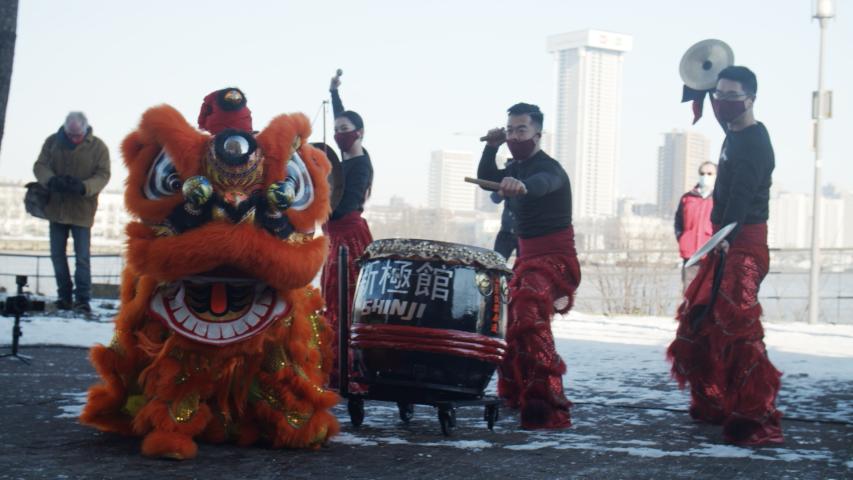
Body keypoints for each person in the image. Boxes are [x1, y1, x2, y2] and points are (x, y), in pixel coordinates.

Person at [667, 66, 783, 445]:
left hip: (743, 241)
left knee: (739, 328)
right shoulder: (732, 133)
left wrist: (724, 237)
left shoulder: (753, 141)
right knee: (701, 320)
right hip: (724, 240)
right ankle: (713, 402)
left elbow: (741, 197)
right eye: (718, 96)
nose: (722, 103)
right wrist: (701, 84)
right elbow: (710, 97)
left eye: (732, 97)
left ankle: (755, 414)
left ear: (750, 99)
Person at [477, 102, 578, 429]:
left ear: (537, 133)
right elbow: (485, 180)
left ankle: (547, 401)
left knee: (529, 312)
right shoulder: (513, 166)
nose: (514, 136)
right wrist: (491, 148)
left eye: (521, 130)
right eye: (509, 130)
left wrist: (523, 187)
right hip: (526, 258)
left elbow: (544, 182)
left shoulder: (549, 168)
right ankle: (520, 391)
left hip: (556, 261)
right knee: (507, 319)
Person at [320, 72, 374, 387]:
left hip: (349, 238)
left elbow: (342, 207)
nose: (340, 134)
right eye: (337, 130)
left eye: (345, 130)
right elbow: (341, 117)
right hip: (333, 236)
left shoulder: (360, 165)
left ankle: (347, 369)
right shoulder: (344, 160)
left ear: (359, 133)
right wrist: (333, 92)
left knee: (344, 301)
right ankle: (335, 366)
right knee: (332, 298)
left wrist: (316, 201)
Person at [33, 112, 110, 313]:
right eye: (70, 135)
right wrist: (50, 180)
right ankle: (64, 297)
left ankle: (83, 300)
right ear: (65, 129)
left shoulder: (98, 147)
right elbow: (40, 166)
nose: (74, 139)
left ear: (85, 130)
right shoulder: (52, 142)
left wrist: (84, 187)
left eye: (77, 135)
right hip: (56, 209)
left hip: (82, 211)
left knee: (82, 257)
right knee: (57, 255)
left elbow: (103, 174)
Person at [674, 161, 717, 291]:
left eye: (710, 173)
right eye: (702, 173)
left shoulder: (720, 198)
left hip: (711, 254)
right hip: (690, 254)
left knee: (710, 292)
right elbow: (678, 222)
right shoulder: (687, 198)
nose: (705, 176)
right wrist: (683, 239)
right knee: (689, 292)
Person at [491, 159, 519, 260]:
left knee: (524, 266)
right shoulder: (506, 181)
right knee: (496, 263)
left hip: (523, 232)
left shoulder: (530, 179)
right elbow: (495, 198)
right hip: (506, 231)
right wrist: (502, 192)